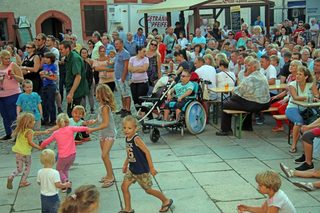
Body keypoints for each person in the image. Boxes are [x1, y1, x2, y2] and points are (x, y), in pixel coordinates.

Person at [119, 116, 173, 213]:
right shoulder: (127, 138)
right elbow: (129, 153)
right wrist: (125, 164)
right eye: (124, 128)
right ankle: (128, 209)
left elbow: (147, 152)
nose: (126, 130)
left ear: (136, 128)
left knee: (148, 190)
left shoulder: (136, 139)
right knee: (124, 187)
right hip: (132, 169)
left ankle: (166, 200)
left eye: (129, 128)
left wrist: (151, 168)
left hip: (142, 171)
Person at [216, 59, 270, 135]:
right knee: (245, 100)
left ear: (254, 67)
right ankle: (246, 126)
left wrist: (233, 92)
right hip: (265, 103)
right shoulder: (262, 76)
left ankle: (225, 130)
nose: (246, 67)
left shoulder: (251, 78)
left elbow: (238, 91)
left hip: (255, 104)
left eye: (248, 66)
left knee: (226, 104)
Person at [40, 113, 90, 189]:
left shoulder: (56, 133)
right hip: (72, 155)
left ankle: (65, 181)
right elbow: (81, 128)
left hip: (63, 156)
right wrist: (88, 129)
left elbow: (47, 141)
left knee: (59, 170)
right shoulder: (71, 128)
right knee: (65, 169)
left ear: (57, 123)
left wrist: (41, 146)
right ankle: (66, 185)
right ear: (67, 121)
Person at [88, 84, 117, 188]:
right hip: (103, 134)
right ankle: (109, 174)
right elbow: (100, 119)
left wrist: (92, 129)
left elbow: (105, 123)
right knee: (105, 156)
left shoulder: (105, 108)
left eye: (97, 92)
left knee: (104, 155)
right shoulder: (101, 107)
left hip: (109, 133)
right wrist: (93, 121)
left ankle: (111, 177)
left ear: (101, 94)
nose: (95, 94)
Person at [285, 66, 319, 153]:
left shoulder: (311, 84)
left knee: (314, 119)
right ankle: (294, 145)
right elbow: (295, 97)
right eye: (297, 74)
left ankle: (310, 144)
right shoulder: (292, 84)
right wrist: (309, 97)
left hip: (306, 108)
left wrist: (315, 97)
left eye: (300, 74)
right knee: (299, 121)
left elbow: (317, 95)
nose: (297, 76)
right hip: (292, 107)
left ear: (306, 77)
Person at [7, 113, 44, 189]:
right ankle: (23, 182)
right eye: (33, 121)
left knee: (19, 169)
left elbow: (35, 133)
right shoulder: (29, 131)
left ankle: (11, 176)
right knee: (27, 167)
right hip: (26, 154)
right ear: (28, 123)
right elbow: (31, 142)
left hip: (18, 153)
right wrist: (39, 147)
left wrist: (44, 132)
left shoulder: (21, 130)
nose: (34, 122)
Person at [59, 40, 89, 117]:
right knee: (73, 114)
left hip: (76, 91)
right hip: (72, 89)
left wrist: (71, 93)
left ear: (67, 49)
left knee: (74, 115)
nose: (60, 51)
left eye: (61, 49)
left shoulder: (75, 59)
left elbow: (78, 76)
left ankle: (80, 129)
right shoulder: (69, 56)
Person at [37, 149, 72, 213]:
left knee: (45, 211)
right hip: (53, 197)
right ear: (54, 160)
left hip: (43, 197)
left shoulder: (40, 171)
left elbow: (39, 182)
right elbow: (58, 185)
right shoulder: (55, 173)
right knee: (55, 210)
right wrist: (66, 184)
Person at [0, 50, 24, 140]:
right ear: (1, 59)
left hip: (13, 94)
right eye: (6, 59)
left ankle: (17, 134)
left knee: (13, 115)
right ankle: (8, 133)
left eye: (9, 58)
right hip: (1, 95)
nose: (8, 60)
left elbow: (22, 79)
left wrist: (14, 76)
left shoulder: (13, 65)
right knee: (4, 115)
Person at [114, 38, 131, 117]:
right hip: (117, 77)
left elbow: (126, 66)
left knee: (126, 94)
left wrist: (123, 77)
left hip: (123, 78)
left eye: (117, 43)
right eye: (115, 44)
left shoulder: (125, 53)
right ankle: (123, 108)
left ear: (121, 44)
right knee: (122, 94)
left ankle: (128, 110)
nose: (116, 45)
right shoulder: (118, 52)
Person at [40, 52, 58, 126]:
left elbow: (54, 77)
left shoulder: (53, 66)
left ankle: (53, 120)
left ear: (51, 59)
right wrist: (42, 75)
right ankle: (45, 119)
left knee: (51, 103)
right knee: (44, 103)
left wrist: (45, 76)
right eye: (45, 57)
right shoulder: (44, 66)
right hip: (44, 85)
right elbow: (44, 74)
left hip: (51, 86)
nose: (45, 59)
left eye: (47, 58)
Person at [79, 48, 94, 114]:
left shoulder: (90, 61)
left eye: (85, 53)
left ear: (87, 53)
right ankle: (83, 109)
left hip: (90, 79)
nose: (84, 54)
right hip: (82, 80)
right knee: (83, 96)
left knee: (90, 95)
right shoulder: (79, 61)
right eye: (82, 53)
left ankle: (92, 108)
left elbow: (93, 69)